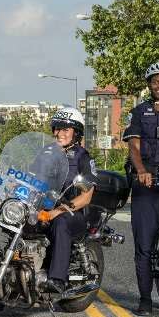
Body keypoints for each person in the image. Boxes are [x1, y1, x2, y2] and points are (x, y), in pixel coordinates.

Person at [123, 62, 159, 316]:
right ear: (149, 85)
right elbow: (133, 147)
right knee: (144, 244)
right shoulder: (138, 112)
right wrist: (141, 171)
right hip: (146, 182)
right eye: (156, 81)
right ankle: (145, 299)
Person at [43, 107, 97, 293]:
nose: (60, 133)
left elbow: (87, 196)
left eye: (66, 129)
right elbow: (31, 177)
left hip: (72, 213)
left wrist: (59, 210)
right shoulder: (46, 152)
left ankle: (57, 278)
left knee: (60, 222)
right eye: (57, 128)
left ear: (76, 133)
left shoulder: (82, 157)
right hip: (44, 208)